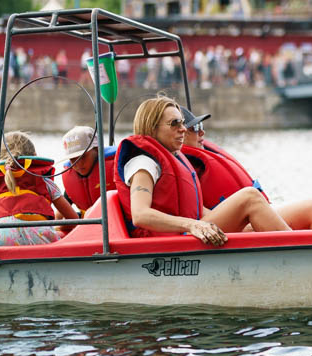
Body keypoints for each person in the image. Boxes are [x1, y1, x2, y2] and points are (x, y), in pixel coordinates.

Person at [116, 95, 291, 244]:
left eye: (183, 123)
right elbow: (140, 215)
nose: (183, 129)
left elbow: (197, 209)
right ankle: (298, 251)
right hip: (169, 242)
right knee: (250, 197)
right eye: (174, 123)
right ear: (152, 128)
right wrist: (191, 225)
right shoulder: (143, 163)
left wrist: (243, 221)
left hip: (188, 232)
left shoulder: (175, 158)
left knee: (252, 223)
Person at [179, 107, 312, 229]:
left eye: (201, 126)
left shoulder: (190, 161)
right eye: (195, 127)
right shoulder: (178, 166)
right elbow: (198, 214)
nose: (202, 132)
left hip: (238, 216)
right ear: (180, 133)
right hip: (226, 222)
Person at [0, 131, 77, 246]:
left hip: (1, 237)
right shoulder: (46, 183)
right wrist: (56, 228)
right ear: (33, 156)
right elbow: (73, 220)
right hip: (41, 236)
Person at [60, 125, 118, 215]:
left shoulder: (117, 169)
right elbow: (60, 214)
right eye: (73, 159)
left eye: (83, 157)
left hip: (115, 219)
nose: (78, 164)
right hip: (88, 223)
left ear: (97, 149)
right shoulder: (71, 177)